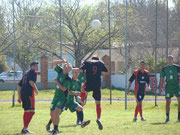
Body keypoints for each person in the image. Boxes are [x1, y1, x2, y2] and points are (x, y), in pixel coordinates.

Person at [72, 56, 108, 130]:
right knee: (98, 103)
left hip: (89, 83)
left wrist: (71, 68)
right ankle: (98, 118)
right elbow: (106, 71)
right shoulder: (100, 63)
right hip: (97, 84)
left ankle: (82, 100)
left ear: (91, 59)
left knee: (82, 89)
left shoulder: (87, 62)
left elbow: (81, 70)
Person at [46, 59, 72, 135]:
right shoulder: (60, 71)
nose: (65, 68)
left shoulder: (68, 78)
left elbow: (64, 89)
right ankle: (50, 126)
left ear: (69, 70)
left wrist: (57, 81)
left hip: (62, 98)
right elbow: (53, 62)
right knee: (52, 114)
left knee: (57, 113)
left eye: (68, 68)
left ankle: (55, 129)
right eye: (65, 66)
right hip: (56, 97)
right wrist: (63, 61)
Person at [17, 62, 39, 134]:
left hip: (23, 93)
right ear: (32, 66)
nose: (37, 67)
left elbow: (19, 85)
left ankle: (25, 128)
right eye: (36, 66)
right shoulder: (33, 72)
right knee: (31, 111)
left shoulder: (26, 73)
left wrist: (19, 96)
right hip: (29, 94)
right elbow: (31, 82)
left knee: (27, 111)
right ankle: (25, 128)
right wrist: (36, 90)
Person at [159, 55, 180, 123]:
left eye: (171, 59)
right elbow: (162, 79)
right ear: (167, 60)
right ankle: (167, 117)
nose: (169, 60)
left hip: (177, 86)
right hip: (168, 87)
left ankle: (179, 116)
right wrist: (160, 88)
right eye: (168, 59)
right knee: (168, 102)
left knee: (179, 100)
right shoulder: (164, 68)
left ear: (173, 60)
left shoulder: (177, 67)